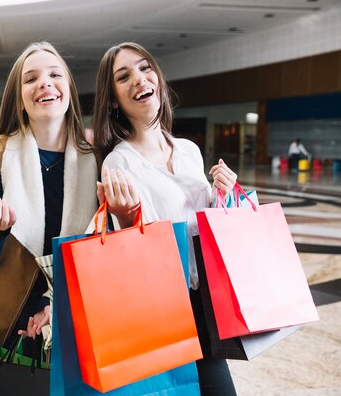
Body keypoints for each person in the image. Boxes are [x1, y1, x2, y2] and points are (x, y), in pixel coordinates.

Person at [0, 42, 100, 393]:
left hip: (62, 325)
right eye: (31, 79)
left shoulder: (98, 159)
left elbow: (96, 254)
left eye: (54, 74)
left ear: (69, 90)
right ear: (19, 98)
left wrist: (52, 305)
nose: (44, 83)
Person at [92, 42, 238, 396]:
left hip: (207, 301)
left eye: (145, 68)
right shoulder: (119, 163)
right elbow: (127, 250)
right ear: (112, 100)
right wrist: (126, 220)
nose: (139, 79)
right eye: (123, 77)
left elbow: (204, 227)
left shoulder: (188, 150)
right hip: (164, 308)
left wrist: (226, 195)